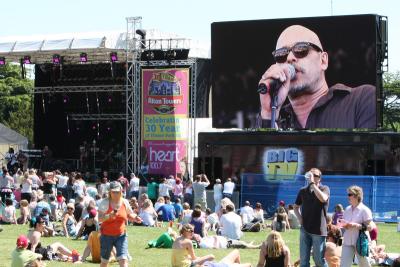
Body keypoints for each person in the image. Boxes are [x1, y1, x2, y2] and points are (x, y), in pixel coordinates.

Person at [256, 25, 376, 129]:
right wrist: (268, 114)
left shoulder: (362, 99)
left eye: (301, 48)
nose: (289, 58)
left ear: (323, 60)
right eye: (281, 54)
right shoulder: (274, 118)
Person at [97, 181, 142, 267]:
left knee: (123, 260)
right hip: (106, 236)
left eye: (118, 192)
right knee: (104, 262)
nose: (116, 194)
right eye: (114, 192)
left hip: (121, 236)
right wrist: (109, 216)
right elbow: (99, 218)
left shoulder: (124, 202)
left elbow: (129, 214)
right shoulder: (104, 202)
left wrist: (135, 217)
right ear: (110, 192)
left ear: (121, 191)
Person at [294, 168, 330, 267]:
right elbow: (296, 207)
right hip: (304, 229)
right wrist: (299, 218)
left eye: (315, 175)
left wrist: (312, 184)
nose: (312, 177)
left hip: (319, 231)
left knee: (318, 260)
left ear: (319, 179)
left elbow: (323, 199)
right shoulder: (302, 191)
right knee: (304, 261)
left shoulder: (325, 188)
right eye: (311, 175)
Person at [339, 185, 373, 267]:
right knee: (344, 265)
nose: (348, 197)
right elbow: (345, 225)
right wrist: (344, 225)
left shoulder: (365, 210)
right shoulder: (347, 209)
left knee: (365, 265)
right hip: (347, 241)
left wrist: (356, 225)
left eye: (350, 195)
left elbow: (370, 227)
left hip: (360, 243)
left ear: (357, 196)